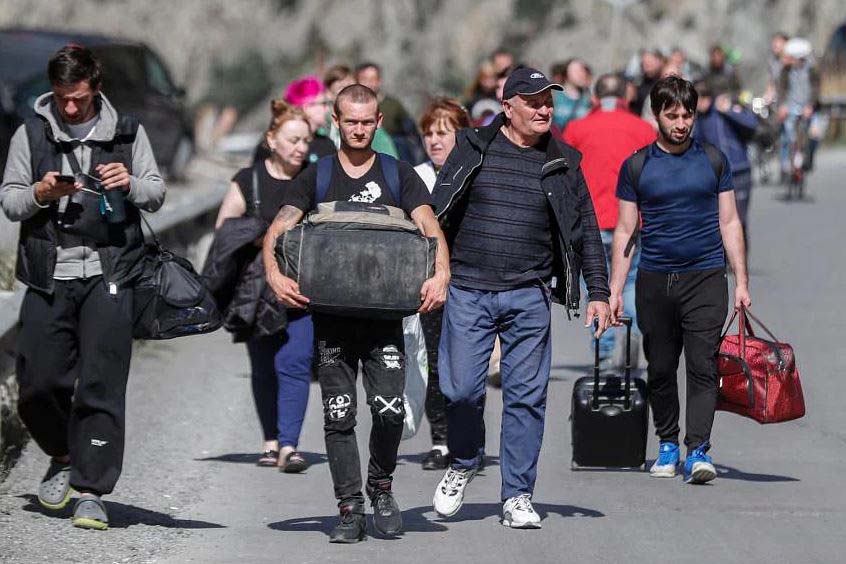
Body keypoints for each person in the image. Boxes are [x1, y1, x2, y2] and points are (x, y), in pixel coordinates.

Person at [262, 84, 450, 543]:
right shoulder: (317, 176)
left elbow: (429, 225)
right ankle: (349, 508)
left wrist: (440, 271)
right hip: (332, 319)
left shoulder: (398, 172)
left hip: (386, 318)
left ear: (379, 122)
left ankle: (381, 487)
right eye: (351, 121)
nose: (360, 129)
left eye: (368, 122)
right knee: (338, 414)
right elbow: (277, 230)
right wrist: (274, 274)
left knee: (389, 412)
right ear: (336, 121)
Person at [430, 67, 611, 529]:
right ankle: (465, 460)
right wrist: (431, 272)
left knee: (526, 399)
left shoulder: (564, 160)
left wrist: (599, 292)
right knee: (460, 389)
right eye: (533, 101)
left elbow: (586, 229)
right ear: (508, 107)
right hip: (468, 289)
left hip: (528, 295)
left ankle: (517, 495)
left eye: (548, 100)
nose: (544, 108)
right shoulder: (473, 147)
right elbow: (437, 213)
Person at [0, 45, 166, 529]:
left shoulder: (128, 131)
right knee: (36, 384)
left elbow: (156, 193)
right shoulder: (29, 133)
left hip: (111, 274)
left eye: (78, 98)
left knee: (101, 384)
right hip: (48, 274)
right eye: (61, 98)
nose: (70, 108)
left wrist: (131, 183)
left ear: (96, 85)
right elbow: (10, 202)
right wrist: (40, 194)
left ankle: (92, 491)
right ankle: (64, 454)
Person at [609, 76, 751, 485]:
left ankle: (699, 450)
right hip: (655, 280)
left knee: (704, 365)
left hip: (706, 277)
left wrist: (741, 281)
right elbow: (625, 230)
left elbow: (729, 221)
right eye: (672, 115)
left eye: (687, 115)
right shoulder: (637, 165)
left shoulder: (713, 159)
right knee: (661, 367)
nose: (681, 123)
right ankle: (667, 444)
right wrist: (616, 290)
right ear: (656, 115)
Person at [214, 100, 314, 472]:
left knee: (295, 360)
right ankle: (270, 440)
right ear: (272, 139)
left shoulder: (316, 179)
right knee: (264, 364)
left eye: (305, 140)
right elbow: (223, 230)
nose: (300, 147)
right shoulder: (249, 180)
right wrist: (261, 235)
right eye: (292, 140)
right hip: (257, 290)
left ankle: (289, 445)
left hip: (303, 288)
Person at [564, 73, 656, 368]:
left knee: (597, 287)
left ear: (594, 98)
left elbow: (563, 175)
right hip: (629, 221)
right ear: (626, 97)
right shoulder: (643, 130)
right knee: (628, 282)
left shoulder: (576, 130)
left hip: (588, 222)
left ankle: (602, 349)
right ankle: (629, 333)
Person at [413, 98, 476, 471]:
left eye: (443, 132)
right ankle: (440, 441)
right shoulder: (414, 178)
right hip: (428, 284)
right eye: (428, 134)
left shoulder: (475, 172)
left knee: (467, 368)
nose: (435, 141)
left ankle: (468, 438)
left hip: (470, 282)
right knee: (434, 365)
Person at [694, 80, 758, 239]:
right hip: (716, 176)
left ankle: (740, 261)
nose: (700, 103)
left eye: (703, 97)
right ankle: (724, 260)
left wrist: (728, 111)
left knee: (739, 221)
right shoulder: (698, 120)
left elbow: (751, 124)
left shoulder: (724, 108)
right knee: (720, 222)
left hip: (739, 171)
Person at [254, 76, 334, 165]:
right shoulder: (274, 145)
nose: (327, 109)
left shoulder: (326, 144)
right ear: (306, 107)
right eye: (323, 104)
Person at [324, 64, 399, 157]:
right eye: (342, 88)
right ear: (328, 93)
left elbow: (390, 159)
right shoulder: (321, 127)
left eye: (352, 88)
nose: (349, 94)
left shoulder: (372, 130)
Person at [355, 62, 421, 163]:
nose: (369, 83)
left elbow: (411, 130)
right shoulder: (352, 106)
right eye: (365, 79)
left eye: (373, 79)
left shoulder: (393, 104)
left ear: (379, 81)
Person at [776, 37, 823, 177]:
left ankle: (809, 158)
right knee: (789, 136)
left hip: (809, 108)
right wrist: (783, 106)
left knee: (815, 134)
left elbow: (816, 90)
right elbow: (782, 90)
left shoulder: (812, 71)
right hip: (791, 107)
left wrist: (810, 106)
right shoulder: (785, 71)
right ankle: (787, 163)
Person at [550, 58, 593, 135]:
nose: (581, 74)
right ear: (566, 74)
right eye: (576, 71)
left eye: (583, 71)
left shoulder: (589, 97)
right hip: (559, 142)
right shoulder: (554, 95)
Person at [630, 49, 664, 116]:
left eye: (650, 61)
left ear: (659, 62)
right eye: (644, 62)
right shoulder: (638, 82)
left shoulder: (663, 81)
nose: (647, 65)